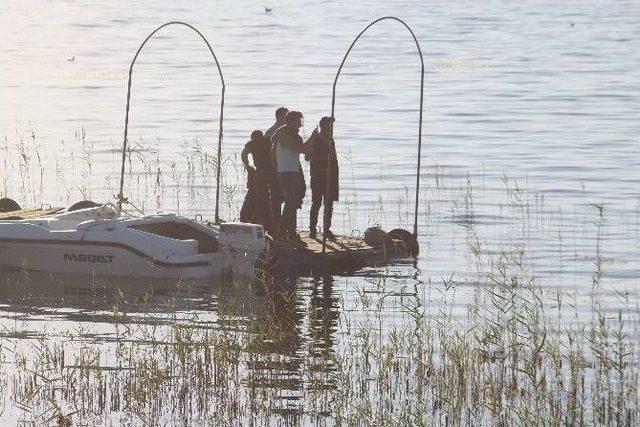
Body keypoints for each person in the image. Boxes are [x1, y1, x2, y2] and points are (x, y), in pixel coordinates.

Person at [272, 110, 310, 240]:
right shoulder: (285, 132)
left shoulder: (284, 132)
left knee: (293, 200)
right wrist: (314, 138)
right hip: (287, 171)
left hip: (290, 170)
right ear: (291, 121)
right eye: (298, 121)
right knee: (290, 201)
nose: (300, 125)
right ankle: (283, 232)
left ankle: (289, 231)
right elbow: (299, 149)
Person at [305, 116, 339, 239]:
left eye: (331, 126)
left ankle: (326, 229)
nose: (330, 128)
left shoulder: (331, 139)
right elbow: (308, 157)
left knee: (329, 203)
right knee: (317, 203)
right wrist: (325, 158)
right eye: (328, 125)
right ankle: (312, 229)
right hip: (318, 176)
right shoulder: (316, 139)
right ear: (322, 126)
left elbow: (333, 157)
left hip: (330, 176)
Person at [240, 130, 272, 230]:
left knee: (259, 194)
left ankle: (257, 218)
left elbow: (243, 154)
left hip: (261, 171)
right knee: (265, 195)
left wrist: (248, 166)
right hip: (270, 170)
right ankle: (267, 220)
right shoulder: (268, 141)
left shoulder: (252, 144)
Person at [265, 107, 288, 231]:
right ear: (279, 117)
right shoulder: (271, 132)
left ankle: (283, 225)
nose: (287, 119)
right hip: (275, 169)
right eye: (285, 116)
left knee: (286, 197)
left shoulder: (287, 131)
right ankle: (277, 225)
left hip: (285, 167)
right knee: (276, 198)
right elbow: (267, 153)